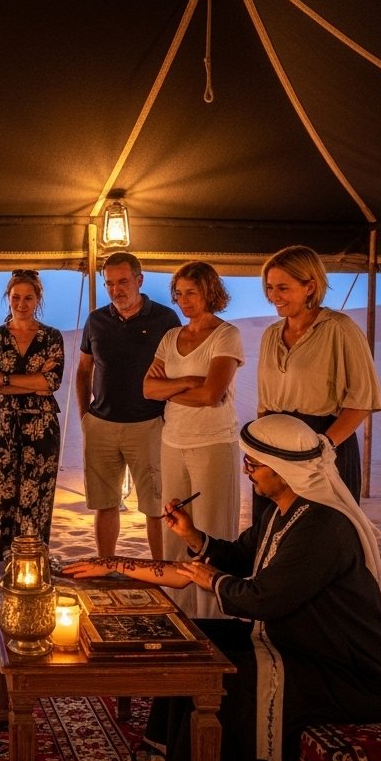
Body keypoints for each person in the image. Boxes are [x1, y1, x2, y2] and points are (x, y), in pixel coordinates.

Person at [64, 414, 381, 761]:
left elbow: (264, 600)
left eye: (253, 465)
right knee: (195, 639)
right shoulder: (283, 511)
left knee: (229, 678)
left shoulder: (323, 528)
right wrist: (194, 538)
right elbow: (242, 556)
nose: (247, 472)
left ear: (285, 470)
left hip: (346, 666)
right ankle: (169, 752)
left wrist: (213, 580)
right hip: (295, 640)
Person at [143, 261, 243, 617]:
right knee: (174, 528)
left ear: (210, 292)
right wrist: (187, 383)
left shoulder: (225, 335)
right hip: (173, 440)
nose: (184, 301)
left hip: (213, 442)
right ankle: (179, 614)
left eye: (192, 293)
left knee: (212, 530)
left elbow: (212, 394)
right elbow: (147, 388)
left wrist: (169, 389)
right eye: (179, 294)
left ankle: (213, 618)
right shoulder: (171, 337)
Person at [256, 244, 381, 517]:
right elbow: (265, 405)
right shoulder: (270, 335)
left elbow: (362, 401)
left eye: (283, 288)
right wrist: (258, 452)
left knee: (321, 535)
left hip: (324, 446)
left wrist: (322, 447)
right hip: (276, 449)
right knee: (271, 532)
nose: (273, 296)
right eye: (269, 287)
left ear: (310, 286)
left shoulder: (340, 329)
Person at [76, 251, 181, 558]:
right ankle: (106, 566)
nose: (115, 290)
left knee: (156, 506)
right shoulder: (96, 320)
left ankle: (160, 573)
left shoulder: (165, 318)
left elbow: (178, 370)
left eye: (122, 282)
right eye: (109, 284)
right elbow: (84, 370)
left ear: (139, 280)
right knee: (104, 503)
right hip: (101, 426)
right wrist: (85, 416)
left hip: (149, 425)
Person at [0, 269, 64, 561]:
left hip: (42, 426)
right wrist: (30, 380)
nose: (22, 303)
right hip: (1, 425)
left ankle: (31, 569)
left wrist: (7, 379)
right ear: (8, 298)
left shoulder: (51, 336)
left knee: (35, 497)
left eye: (28, 297)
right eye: (16, 297)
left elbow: (51, 383)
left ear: (38, 299)